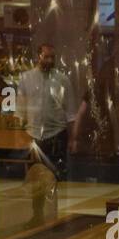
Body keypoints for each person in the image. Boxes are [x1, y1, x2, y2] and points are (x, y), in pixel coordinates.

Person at [16, 42, 76, 177]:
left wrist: (73, 139)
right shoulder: (26, 78)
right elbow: (21, 110)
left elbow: (70, 112)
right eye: (46, 57)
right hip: (34, 134)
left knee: (56, 176)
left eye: (52, 57)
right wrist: (20, 136)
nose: (50, 60)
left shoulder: (62, 80)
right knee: (35, 176)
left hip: (57, 133)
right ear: (38, 57)